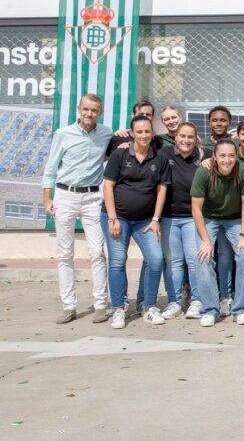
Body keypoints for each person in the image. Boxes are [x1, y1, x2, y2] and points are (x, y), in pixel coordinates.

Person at [42, 94, 113, 324]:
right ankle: (69, 306)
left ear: (100, 112)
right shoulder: (63, 134)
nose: (89, 114)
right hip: (65, 195)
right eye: (86, 109)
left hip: (93, 197)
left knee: (96, 252)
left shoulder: (106, 134)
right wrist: (47, 198)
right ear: (78, 109)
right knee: (64, 254)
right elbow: (51, 168)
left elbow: (118, 148)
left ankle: (101, 304)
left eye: (94, 110)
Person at [101, 115, 167, 329]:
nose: (144, 135)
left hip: (145, 220)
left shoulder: (159, 157)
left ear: (152, 133)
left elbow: (161, 189)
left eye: (147, 131)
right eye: (139, 132)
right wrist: (112, 218)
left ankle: (149, 306)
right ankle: (119, 308)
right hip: (117, 217)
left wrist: (156, 219)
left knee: (156, 259)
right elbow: (108, 186)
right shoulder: (119, 155)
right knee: (118, 260)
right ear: (132, 133)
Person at [190, 139, 244, 327]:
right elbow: (196, 209)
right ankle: (210, 309)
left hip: (235, 218)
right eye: (222, 156)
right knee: (203, 256)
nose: (227, 160)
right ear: (215, 157)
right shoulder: (203, 172)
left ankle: (241, 308)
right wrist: (205, 240)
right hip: (209, 218)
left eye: (231, 156)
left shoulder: (243, 171)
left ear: (236, 156)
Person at [158, 122, 210, 320]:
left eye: (190, 137)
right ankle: (174, 301)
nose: (186, 140)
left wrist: (209, 161)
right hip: (169, 217)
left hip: (192, 218)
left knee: (194, 259)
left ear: (195, 138)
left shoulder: (203, 156)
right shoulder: (164, 155)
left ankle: (197, 300)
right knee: (173, 262)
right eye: (182, 136)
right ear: (176, 137)